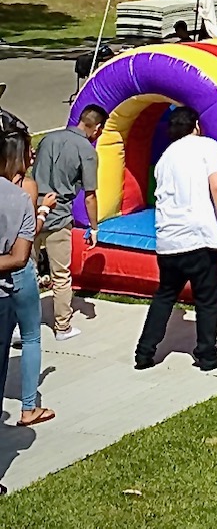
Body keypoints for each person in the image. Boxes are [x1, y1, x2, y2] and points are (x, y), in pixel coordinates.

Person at [134, 106, 217, 370]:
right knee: (208, 298)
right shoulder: (206, 146)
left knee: (165, 295)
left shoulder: (165, 157)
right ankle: (207, 354)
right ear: (196, 126)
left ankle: (144, 352)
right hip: (198, 236)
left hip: (168, 239)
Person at [31, 103, 107, 341]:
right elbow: (90, 194)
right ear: (97, 128)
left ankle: (20, 325)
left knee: (27, 273)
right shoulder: (86, 150)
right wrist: (94, 227)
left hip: (33, 211)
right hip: (59, 216)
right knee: (61, 275)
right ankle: (62, 326)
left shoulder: (48, 139)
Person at [3, 118, 55, 424]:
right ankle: (28, 406)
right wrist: (44, 209)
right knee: (32, 336)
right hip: (19, 272)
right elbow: (29, 231)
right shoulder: (27, 187)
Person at [0, 122, 36, 492]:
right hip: (4, 294)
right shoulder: (20, 199)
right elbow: (19, 257)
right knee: (30, 337)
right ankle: (29, 403)